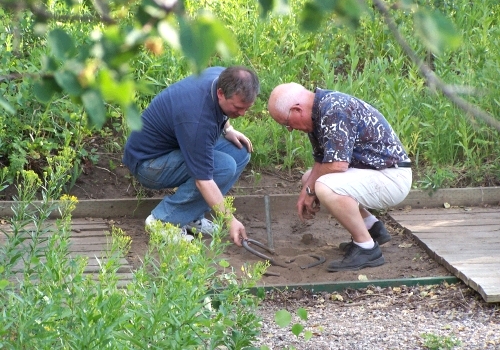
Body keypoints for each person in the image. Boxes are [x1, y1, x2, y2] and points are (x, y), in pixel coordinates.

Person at [268, 83, 412, 271]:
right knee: (309, 179)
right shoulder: (318, 112)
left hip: (392, 177)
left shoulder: (335, 110)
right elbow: (322, 161)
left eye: (286, 123)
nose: (289, 129)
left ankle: (366, 248)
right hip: (376, 172)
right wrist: (306, 191)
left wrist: (311, 191)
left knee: (324, 187)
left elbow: (337, 165)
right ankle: (371, 227)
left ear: (297, 109)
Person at [123, 66, 260, 246]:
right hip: (149, 163)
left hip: (175, 146)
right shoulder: (197, 120)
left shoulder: (220, 76)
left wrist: (228, 129)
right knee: (223, 166)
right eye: (237, 107)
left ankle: (190, 216)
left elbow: (219, 112)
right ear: (220, 93)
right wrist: (230, 220)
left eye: (246, 108)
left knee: (239, 152)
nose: (242, 114)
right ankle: (163, 221)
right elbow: (203, 180)